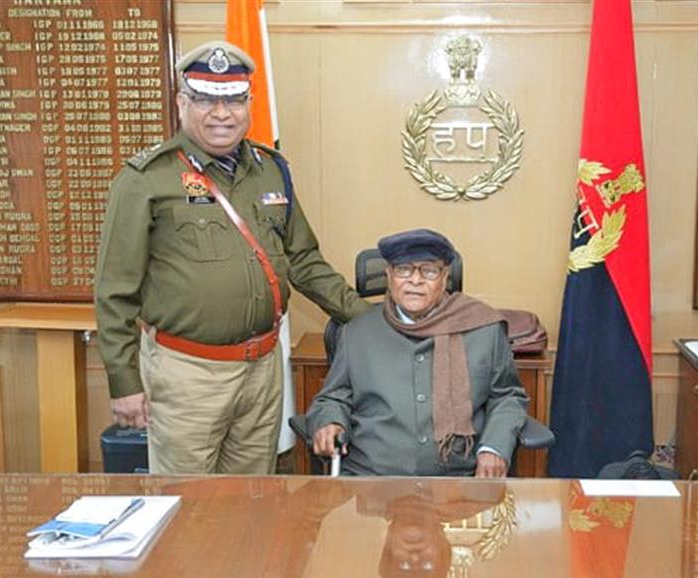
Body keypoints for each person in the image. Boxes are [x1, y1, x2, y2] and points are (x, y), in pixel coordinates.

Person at [94, 41, 369, 475]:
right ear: (182, 103)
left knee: (251, 499)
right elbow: (114, 291)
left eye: (234, 100)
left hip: (262, 370)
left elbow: (303, 261)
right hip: (188, 374)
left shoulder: (271, 169)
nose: (221, 113)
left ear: (249, 105)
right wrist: (124, 381)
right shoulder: (145, 179)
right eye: (206, 99)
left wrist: (370, 318)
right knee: (188, 502)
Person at [307, 229, 527, 477]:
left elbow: (507, 396)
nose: (415, 280)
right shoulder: (356, 333)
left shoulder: (483, 329)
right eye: (403, 270)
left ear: (444, 277)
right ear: (389, 275)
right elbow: (333, 397)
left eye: (429, 271)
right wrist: (330, 422)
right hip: (369, 480)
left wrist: (494, 447)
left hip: (457, 481)